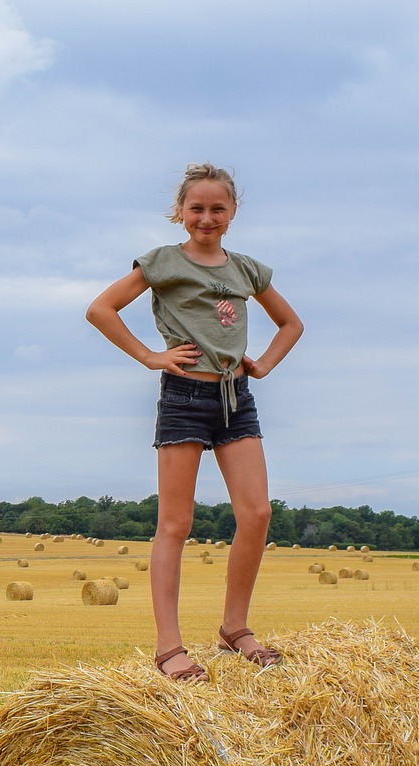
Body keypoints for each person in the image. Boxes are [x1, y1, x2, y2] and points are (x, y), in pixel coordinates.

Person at [85, 163, 303, 683]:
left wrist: (264, 364)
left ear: (232, 213)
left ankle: (235, 627)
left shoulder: (247, 269)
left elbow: (291, 323)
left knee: (257, 513)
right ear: (181, 212)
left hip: (236, 399)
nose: (206, 217)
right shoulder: (162, 262)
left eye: (217, 208)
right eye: (197, 208)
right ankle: (169, 648)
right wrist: (148, 356)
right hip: (184, 396)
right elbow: (101, 309)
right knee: (176, 524)